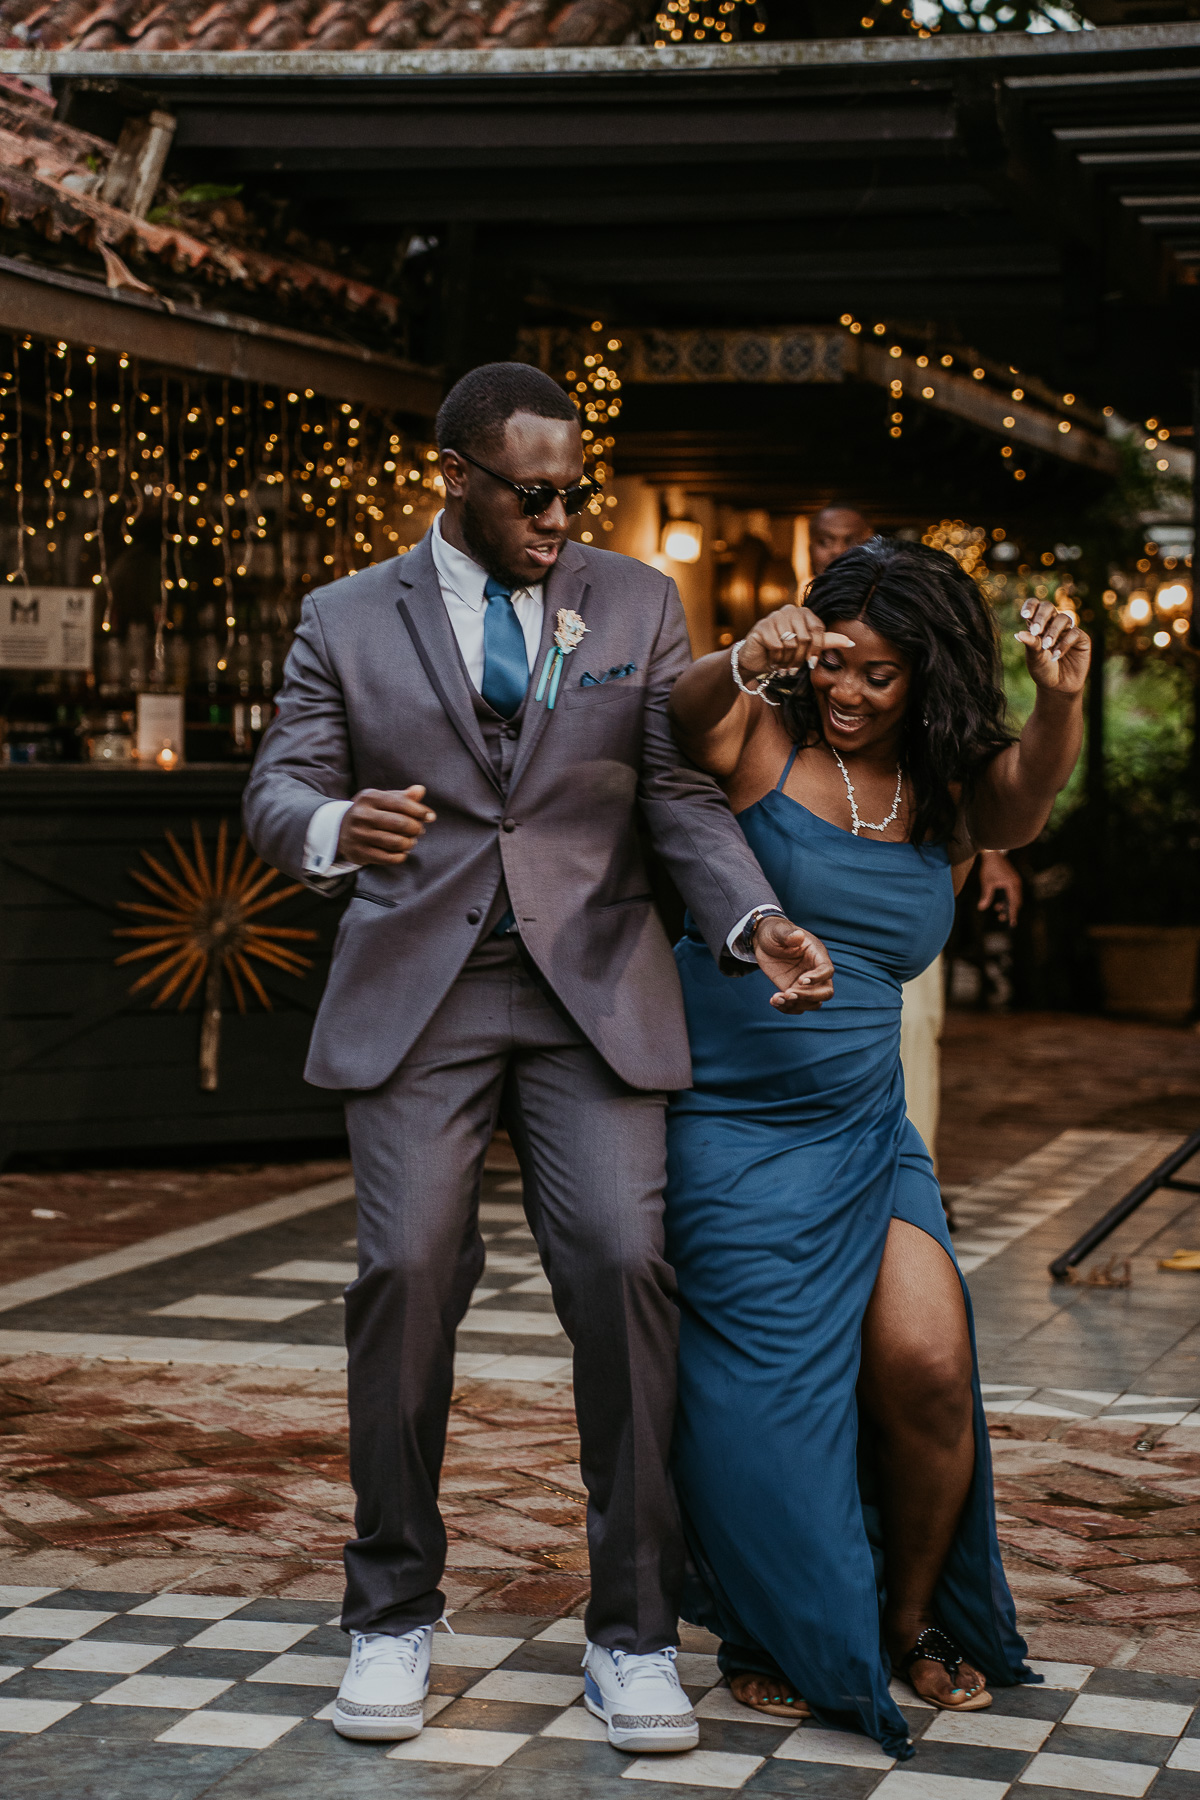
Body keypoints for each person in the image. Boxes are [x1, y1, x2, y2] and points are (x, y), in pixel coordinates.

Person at [242, 362, 835, 1755]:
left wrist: (752, 919)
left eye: (578, 489)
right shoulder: (343, 616)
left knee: (627, 1271)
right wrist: (338, 831)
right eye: (534, 492)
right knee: (405, 1273)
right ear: (452, 472)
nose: (562, 515)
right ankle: (390, 1612)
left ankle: (633, 1633)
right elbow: (277, 784)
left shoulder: (630, 601)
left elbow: (673, 790)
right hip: (420, 990)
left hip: (594, 989)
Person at [664, 538, 1088, 1755]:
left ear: (931, 678)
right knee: (769, 1402)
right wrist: (745, 655)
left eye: (882, 676)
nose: (849, 693)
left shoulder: (947, 796)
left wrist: (1060, 700)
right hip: (729, 1125)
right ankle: (769, 1624)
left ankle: (908, 1617)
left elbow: (1027, 797)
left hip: (865, 1124)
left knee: (927, 1365)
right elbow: (684, 718)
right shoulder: (764, 738)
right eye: (836, 665)